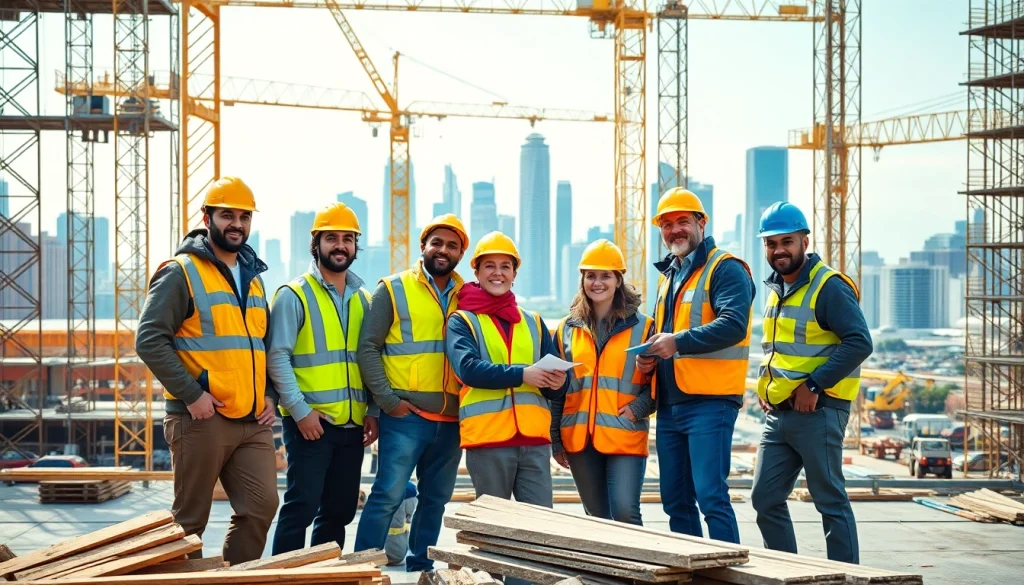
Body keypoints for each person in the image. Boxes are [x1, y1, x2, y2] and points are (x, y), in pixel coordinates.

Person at [135, 176, 278, 565]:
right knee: (189, 522)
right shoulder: (180, 272)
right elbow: (149, 340)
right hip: (201, 416)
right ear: (207, 217)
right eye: (227, 215)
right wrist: (192, 394)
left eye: (244, 217)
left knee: (262, 507)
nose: (237, 224)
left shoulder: (254, 278)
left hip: (252, 420)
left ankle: (231, 575)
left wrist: (270, 395)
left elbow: (260, 348)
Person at [750, 201, 870, 564]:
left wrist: (814, 386)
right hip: (780, 414)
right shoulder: (778, 288)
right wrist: (766, 389)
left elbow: (859, 342)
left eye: (786, 241)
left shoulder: (828, 286)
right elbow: (780, 349)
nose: (778, 250)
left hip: (818, 411)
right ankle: (790, 572)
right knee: (764, 498)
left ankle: (845, 576)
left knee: (829, 499)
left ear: (804, 240)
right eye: (771, 244)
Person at [353, 213, 470, 572]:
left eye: (452, 245)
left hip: (450, 419)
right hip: (406, 417)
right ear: (423, 246)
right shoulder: (392, 288)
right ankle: (361, 570)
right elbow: (368, 348)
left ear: (461, 253)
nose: (443, 250)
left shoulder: (469, 295)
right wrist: (388, 403)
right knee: (387, 494)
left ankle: (421, 567)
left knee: (435, 499)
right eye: (437, 242)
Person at [640, 187, 755, 544]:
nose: (675, 230)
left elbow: (733, 324)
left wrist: (676, 342)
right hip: (671, 406)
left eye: (683, 221)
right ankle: (691, 572)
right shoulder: (669, 277)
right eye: (667, 224)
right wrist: (650, 355)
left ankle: (726, 575)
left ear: (701, 223)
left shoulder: (727, 269)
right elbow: (666, 335)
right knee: (675, 501)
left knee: (712, 498)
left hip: (710, 402)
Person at [268, 202, 379, 554]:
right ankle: (282, 579)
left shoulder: (364, 299)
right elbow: (277, 356)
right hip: (311, 424)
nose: (340, 245)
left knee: (340, 511)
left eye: (348, 239)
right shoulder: (294, 294)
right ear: (316, 244)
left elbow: (374, 358)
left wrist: (373, 410)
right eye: (331, 238)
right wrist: (300, 411)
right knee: (301, 507)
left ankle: (323, 575)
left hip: (352, 426)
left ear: (356, 246)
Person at [445, 231, 568, 506]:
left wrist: (560, 384)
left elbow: (554, 383)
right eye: (489, 266)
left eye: (505, 267)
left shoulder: (533, 322)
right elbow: (468, 369)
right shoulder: (462, 321)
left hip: (534, 441)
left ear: (514, 274)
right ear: (476, 271)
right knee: (494, 527)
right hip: (489, 440)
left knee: (540, 527)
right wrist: (524, 374)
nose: (497, 273)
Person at [550, 239, 655, 525]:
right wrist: (556, 439)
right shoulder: (566, 329)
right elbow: (558, 390)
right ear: (582, 279)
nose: (598, 282)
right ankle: (604, 572)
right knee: (596, 517)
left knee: (624, 511)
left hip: (625, 432)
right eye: (591, 275)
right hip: (579, 437)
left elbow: (659, 384)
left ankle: (636, 570)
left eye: (605, 275)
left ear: (619, 280)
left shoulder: (644, 327)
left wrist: (639, 407)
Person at [384, 481, 418, 566]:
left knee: (395, 526)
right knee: (406, 521)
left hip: (397, 496)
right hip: (411, 493)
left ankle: (393, 555)